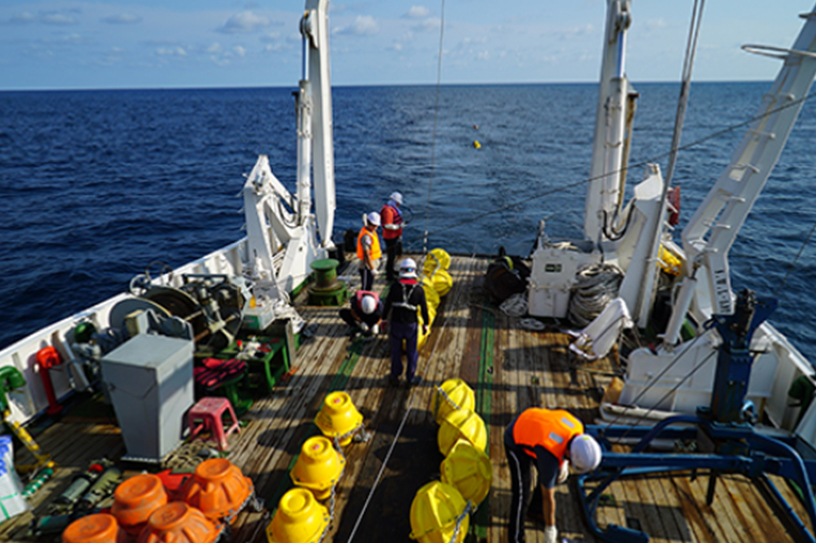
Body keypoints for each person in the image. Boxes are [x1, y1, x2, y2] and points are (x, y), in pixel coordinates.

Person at [504, 407, 602, 543]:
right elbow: (548, 497)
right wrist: (550, 528)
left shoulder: (578, 427)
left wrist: (563, 464)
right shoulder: (549, 454)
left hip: (536, 429)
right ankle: (515, 538)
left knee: (552, 476)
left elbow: (563, 439)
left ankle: (536, 510)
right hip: (516, 439)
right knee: (521, 493)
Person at [382, 258, 429, 387]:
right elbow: (424, 309)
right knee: (412, 352)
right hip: (411, 325)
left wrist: (384, 320)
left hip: (396, 324)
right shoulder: (419, 290)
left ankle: (395, 376)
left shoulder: (394, 287)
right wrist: (426, 324)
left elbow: (387, 305)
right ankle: (410, 378)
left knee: (395, 351)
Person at [380, 192, 405, 282]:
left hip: (394, 236)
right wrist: (399, 226)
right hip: (389, 237)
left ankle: (391, 271)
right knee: (391, 256)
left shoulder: (393, 209)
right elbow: (387, 225)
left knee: (393, 255)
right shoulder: (388, 211)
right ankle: (389, 275)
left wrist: (399, 234)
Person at [356, 212, 382, 291]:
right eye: (373, 225)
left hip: (372, 264)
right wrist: (372, 268)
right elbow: (367, 254)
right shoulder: (366, 237)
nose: (375, 227)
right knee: (366, 287)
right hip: (366, 267)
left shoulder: (371, 232)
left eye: (376, 226)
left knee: (369, 285)